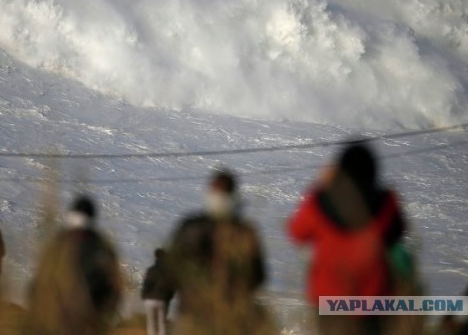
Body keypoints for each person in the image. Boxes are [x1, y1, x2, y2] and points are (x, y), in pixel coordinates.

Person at [288, 142, 406, 335]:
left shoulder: (321, 202)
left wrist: (322, 185)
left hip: (330, 299)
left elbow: (297, 232)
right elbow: (397, 234)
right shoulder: (386, 203)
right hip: (371, 301)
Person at [166, 169, 273, 335]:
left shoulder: (190, 227)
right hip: (231, 318)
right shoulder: (244, 232)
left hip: (193, 314)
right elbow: (258, 276)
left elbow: (171, 268)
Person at [27, 196, 123, 335]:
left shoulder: (61, 243)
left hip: (85, 316)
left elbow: (114, 285)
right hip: (69, 316)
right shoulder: (98, 246)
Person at [141, 248, 175, 335]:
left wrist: (144, 296)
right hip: (162, 299)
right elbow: (171, 287)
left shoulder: (151, 270)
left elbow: (147, 284)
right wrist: (168, 298)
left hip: (150, 299)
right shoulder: (168, 272)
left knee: (151, 324)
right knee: (162, 324)